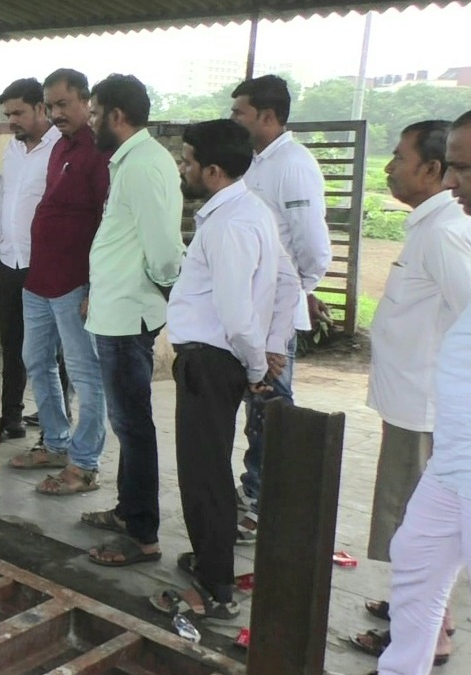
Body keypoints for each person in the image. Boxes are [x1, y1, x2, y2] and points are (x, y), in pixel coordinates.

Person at [151, 119, 297, 621]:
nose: (183, 168)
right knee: (208, 465)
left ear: (213, 170)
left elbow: (236, 313)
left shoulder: (230, 223)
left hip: (212, 360)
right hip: (220, 358)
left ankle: (215, 587)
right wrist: (271, 345)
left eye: (188, 161)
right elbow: (287, 282)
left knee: (203, 474)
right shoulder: (248, 210)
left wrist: (258, 366)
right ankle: (208, 560)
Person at [349, 120, 471, 665]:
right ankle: (416, 620)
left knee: (416, 527)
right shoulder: (432, 225)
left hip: (427, 409)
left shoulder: (444, 232)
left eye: (399, 158)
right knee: (416, 539)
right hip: (412, 402)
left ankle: (432, 632)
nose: (389, 168)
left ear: (431, 169)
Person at [79, 74, 184, 567]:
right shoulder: (134, 160)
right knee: (127, 422)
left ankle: (143, 536)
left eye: (95, 112)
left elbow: (163, 249)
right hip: (117, 308)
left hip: (127, 314)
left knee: (133, 425)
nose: (91, 121)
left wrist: (159, 289)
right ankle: (128, 512)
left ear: (116, 116)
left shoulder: (141, 165)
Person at [229, 75, 332, 543]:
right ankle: (255, 488)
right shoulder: (256, 162)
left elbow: (312, 245)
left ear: (267, 117)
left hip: (275, 311)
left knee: (271, 407)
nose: (233, 119)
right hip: (255, 306)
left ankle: (266, 504)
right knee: (256, 404)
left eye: (240, 112)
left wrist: (298, 291)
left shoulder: (293, 165)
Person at [4, 69, 109, 496]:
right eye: (51, 106)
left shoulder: (99, 152)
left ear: (86, 101)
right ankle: (55, 443)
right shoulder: (58, 148)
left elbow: (105, 221)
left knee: (85, 373)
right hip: (38, 278)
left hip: (73, 281)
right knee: (35, 360)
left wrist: (95, 286)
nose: (57, 113)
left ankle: (84, 465)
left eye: (64, 104)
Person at [0, 77, 63, 441]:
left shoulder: (62, 148)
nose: (11, 121)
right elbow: (4, 204)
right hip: (11, 263)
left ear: (41, 108)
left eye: (18, 113)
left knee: (50, 351)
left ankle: (53, 427)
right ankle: (11, 417)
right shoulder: (13, 150)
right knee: (13, 345)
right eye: (8, 114)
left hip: (45, 265)